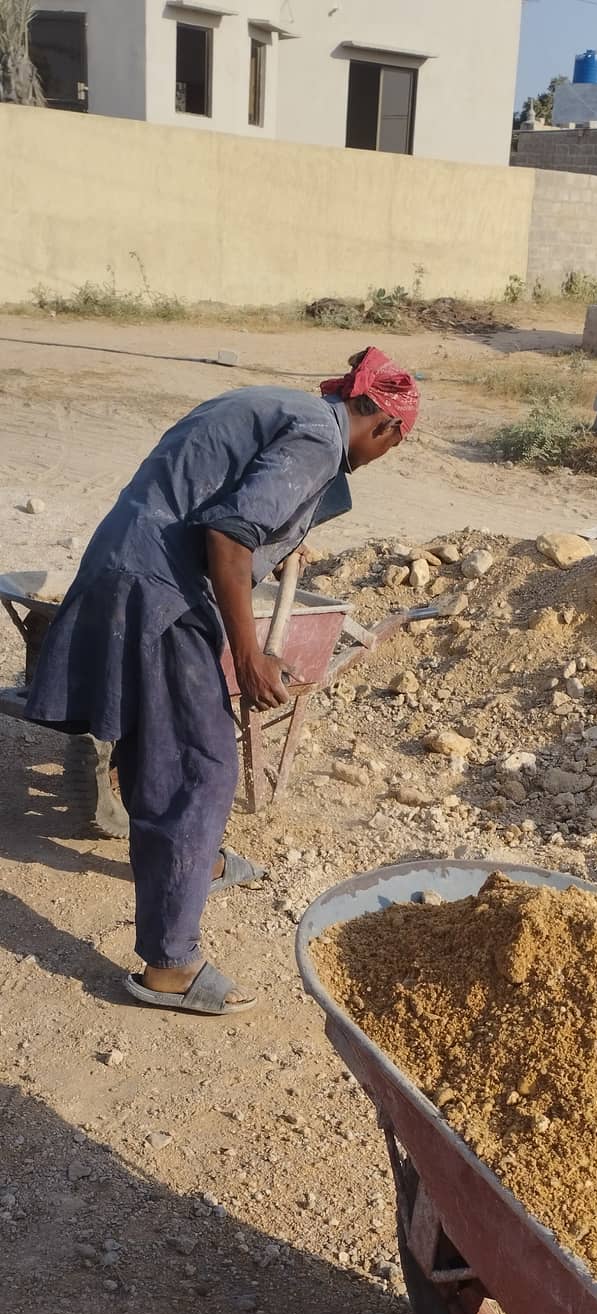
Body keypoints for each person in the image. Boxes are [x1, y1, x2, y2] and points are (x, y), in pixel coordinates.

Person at [26, 347, 419, 1015]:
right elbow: (231, 536)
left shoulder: (285, 405)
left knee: (164, 744)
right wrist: (248, 653)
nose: (386, 456)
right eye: (395, 446)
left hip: (128, 565)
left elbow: (222, 493)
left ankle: (198, 861)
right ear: (382, 427)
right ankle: (169, 966)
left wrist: (287, 534)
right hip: (163, 590)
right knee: (200, 766)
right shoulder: (323, 438)